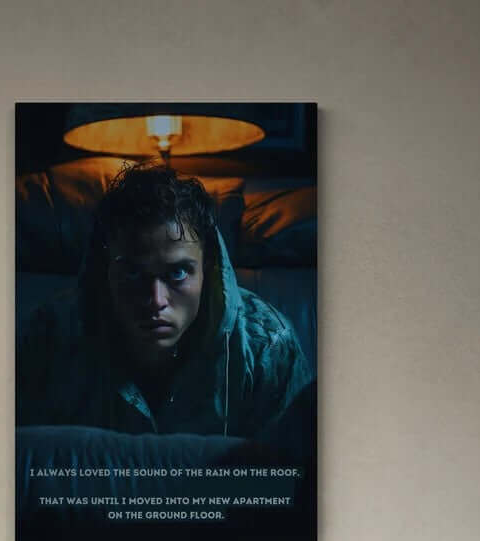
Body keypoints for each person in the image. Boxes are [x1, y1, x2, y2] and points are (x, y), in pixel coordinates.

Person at [16, 161, 314, 437]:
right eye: (132, 273)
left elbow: (293, 477)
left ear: (208, 270)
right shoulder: (50, 336)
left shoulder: (267, 349)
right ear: (105, 270)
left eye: (179, 273)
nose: (155, 300)